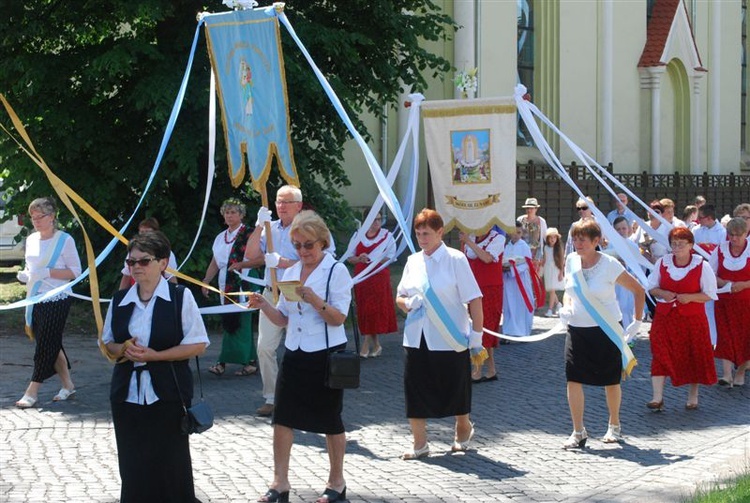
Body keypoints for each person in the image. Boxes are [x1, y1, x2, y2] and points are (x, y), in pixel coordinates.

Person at [247, 211, 352, 503]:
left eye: (308, 245)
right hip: (294, 353)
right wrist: (263, 304)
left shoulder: (336, 271)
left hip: (326, 354)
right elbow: (282, 319)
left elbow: (338, 317)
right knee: (283, 417)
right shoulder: (291, 272)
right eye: (297, 245)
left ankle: (336, 482)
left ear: (322, 242)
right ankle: (280, 482)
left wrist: (315, 300)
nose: (303, 251)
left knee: (330, 419)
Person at [102, 231, 209, 503]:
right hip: (127, 395)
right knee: (132, 462)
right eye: (131, 262)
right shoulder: (119, 299)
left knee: (171, 462)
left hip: (168, 392)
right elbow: (108, 344)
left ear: (163, 263)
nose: (136, 267)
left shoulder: (180, 297)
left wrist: (156, 356)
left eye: (143, 261)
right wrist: (124, 348)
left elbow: (198, 344)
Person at [396, 208, 483, 460]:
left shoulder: (456, 260)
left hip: (449, 337)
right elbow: (399, 296)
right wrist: (407, 303)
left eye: (427, 233)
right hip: (416, 336)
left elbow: (475, 299)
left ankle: (463, 427)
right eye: (418, 233)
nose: (422, 238)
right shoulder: (413, 261)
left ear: (440, 232)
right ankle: (419, 443)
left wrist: (476, 338)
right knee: (414, 388)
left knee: (455, 386)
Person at [246, 185, 336, 417]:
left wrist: (284, 263)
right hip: (271, 291)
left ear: (298, 205)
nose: (281, 206)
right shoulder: (270, 227)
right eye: (278, 201)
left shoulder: (310, 228)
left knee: (304, 347)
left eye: (286, 202)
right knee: (264, 346)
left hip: (300, 292)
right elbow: (250, 254)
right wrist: (258, 226)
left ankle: (306, 396)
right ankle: (272, 397)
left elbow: (325, 260)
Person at [558, 219, 645, 449]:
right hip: (577, 329)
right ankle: (578, 431)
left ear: (596, 241)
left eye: (582, 239)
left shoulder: (609, 264)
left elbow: (638, 290)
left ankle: (614, 425)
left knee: (610, 379)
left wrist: (637, 321)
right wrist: (566, 307)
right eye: (575, 238)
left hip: (605, 329)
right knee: (573, 378)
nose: (577, 243)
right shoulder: (571, 261)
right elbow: (569, 290)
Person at [15, 197, 82, 408]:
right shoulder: (32, 239)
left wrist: (48, 272)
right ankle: (68, 385)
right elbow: (31, 267)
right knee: (50, 341)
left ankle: (33, 390)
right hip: (35, 298)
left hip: (57, 298)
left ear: (52, 217)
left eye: (40, 216)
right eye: (33, 217)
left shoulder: (65, 240)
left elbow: (75, 272)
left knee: (45, 344)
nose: (35, 221)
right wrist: (26, 275)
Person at [646, 227, 718, 411]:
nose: (677, 248)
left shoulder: (702, 265)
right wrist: (663, 292)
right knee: (660, 352)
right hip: (665, 317)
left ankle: (693, 396)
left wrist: (691, 297)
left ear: (691, 245)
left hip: (692, 319)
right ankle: (657, 397)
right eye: (674, 244)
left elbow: (710, 293)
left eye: (681, 244)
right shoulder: (663, 262)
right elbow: (652, 287)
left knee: (693, 354)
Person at [201, 198, 259, 377]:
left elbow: (261, 257)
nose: (230, 215)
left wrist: (241, 264)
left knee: (243, 321)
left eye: (234, 212)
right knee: (228, 320)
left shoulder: (250, 234)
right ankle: (225, 361)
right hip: (225, 282)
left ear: (241, 215)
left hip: (245, 280)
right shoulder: (220, 237)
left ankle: (248, 362)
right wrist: (206, 280)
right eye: (227, 212)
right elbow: (215, 262)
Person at [346, 210, 397, 358]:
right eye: (374, 220)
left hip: (378, 276)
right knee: (365, 309)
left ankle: (365, 345)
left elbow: (391, 256)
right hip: (362, 277)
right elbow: (350, 257)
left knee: (374, 309)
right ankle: (376, 345)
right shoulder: (358, 235)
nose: (377, 223)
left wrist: (374, 260)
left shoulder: (387, 236)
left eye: (379, 219)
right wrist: (360, 259)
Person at [459, 226, 505, 382]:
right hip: (473, 287)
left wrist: (468, 242)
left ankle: (477, 369)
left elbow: (486, 258)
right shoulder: (471, 237)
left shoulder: (498, 238)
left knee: (486, 327)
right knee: (476, 327)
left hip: (490, 288)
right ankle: (491, 368)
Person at [709, 217, 750, 387]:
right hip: (724, 301)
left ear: (745, 234)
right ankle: (726, 374)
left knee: (744, 337)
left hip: (746, 302)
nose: (734, 239)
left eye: (738, 235)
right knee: (724, 335)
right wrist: (725, 283)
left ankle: (740, 371)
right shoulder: (720, 250)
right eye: (731, 235)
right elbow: (710, 274)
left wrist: (744, 284)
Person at [119, 217, 178, 289]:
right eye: (141, 232)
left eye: (147, 232)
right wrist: (120, 297)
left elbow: (171, 277)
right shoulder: (133, 252)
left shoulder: (166, 252)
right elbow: (126, 275)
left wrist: (175, 296)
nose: (144, 235)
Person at [502, 222, 535, 337]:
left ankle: (521, 331)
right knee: (509, 305)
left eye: (519, 232)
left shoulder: (524, 246)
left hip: (520, 279)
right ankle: (508, 331)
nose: (516, 235)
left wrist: (514, 269)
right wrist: (504, 268)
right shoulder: (507, 246)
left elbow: (527, 263)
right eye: (514, 232)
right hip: (509, 281)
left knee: (521, 305)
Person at [516, 197, 547, 268]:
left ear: (536, 209)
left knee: (535, 277)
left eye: (531, 208)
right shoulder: (520, 220)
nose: (529, 210)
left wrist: (544, 256)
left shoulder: (541, 221)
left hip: (536, 256)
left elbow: (545, 238)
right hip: (521, 254)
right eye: (527, 208)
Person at [542, 227, 565, 317]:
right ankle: (558, 304)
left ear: (557, 238)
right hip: (547, 269)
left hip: (555, 270)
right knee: (550, 289)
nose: (552, 239)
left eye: (554, 237)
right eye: (550, 237)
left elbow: (562, 261)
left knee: (552, 290)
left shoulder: (559, 248)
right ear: (547, 239)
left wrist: (561, 272)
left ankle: (550, 310)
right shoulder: (546, 248)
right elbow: (545, 259)